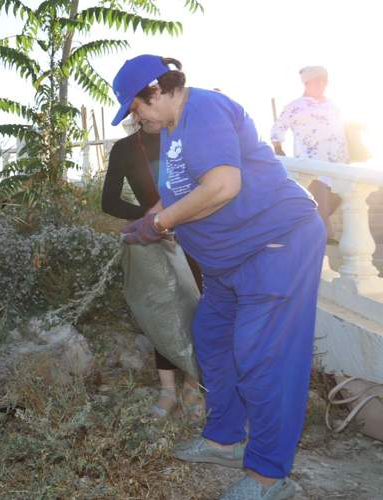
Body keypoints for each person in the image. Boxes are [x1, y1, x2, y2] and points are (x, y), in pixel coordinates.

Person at [112, 55, 325, 500]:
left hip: (274, 245)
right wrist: (145, 221)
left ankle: (270, 476)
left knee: (262, 358)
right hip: (229, 264)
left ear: (158, 91)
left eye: (136, 108)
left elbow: (224, 185)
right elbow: (182, 193)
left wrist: (162, 223)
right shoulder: (171, 131)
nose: (137, 118)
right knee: (211, 337)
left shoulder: (204, 110)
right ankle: (225, 439)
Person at [101, 116, 203, 420]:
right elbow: (108, 201)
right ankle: (168, 391)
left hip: (199, 233)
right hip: (155, 238)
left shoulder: (187, 137)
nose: (146, 113)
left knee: (199, 306)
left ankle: (193, 386)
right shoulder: (124, 149)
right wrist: (149, 217)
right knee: (162, 310)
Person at [271, 66, 348, 242]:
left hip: (336, 164)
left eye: (324, 81)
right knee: (318, 199)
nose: (322, 84)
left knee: (341, 197)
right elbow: (278, 127)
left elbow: (340, 133)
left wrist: (345, 158)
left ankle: (305, 226)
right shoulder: (296, 106)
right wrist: (278, 148)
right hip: (311, 163)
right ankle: (323, 235)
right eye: (317, 80)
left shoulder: (332, 105)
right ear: (307, 83)